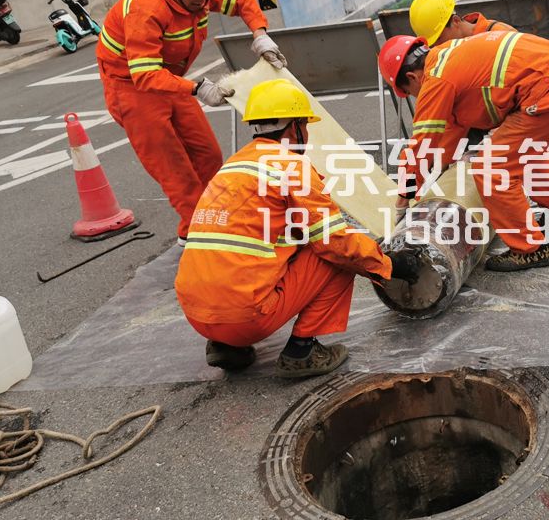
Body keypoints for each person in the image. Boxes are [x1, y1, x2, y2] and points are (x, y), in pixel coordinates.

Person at [175, 79, 420, 376]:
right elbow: (336, 244)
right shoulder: (292, 166)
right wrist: (389, 265)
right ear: (294, 127)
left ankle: (225, 347)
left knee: (276, 248)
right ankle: (302, 351)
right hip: (243, 317)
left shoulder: (233, 167)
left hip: (197, 315)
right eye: (304, 126)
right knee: (336, 255)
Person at [96, 0, 288, 244]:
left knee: (208, 154)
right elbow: (145, 75)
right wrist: (198, 88)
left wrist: (260, 34)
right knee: (175, 169)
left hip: (169, 78)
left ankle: (219, 220)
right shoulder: (147, 10)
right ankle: (196, 236)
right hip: (131, 85)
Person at [378, 31, 549, 272]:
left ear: (411, 76)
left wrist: (403, 200)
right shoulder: (447, 56)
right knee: (520, 148)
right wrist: (430, 177)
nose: (415, 97)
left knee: (492, 168)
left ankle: (530, 250)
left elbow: (422, 147)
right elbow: (446, 138)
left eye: (409, 92)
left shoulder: (435, 80)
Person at [409, 0, 515, 47]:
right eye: (433, 45)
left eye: (439, 39)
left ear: (455, 21)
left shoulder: (501, 34)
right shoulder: (455, 51)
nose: (438, 47)